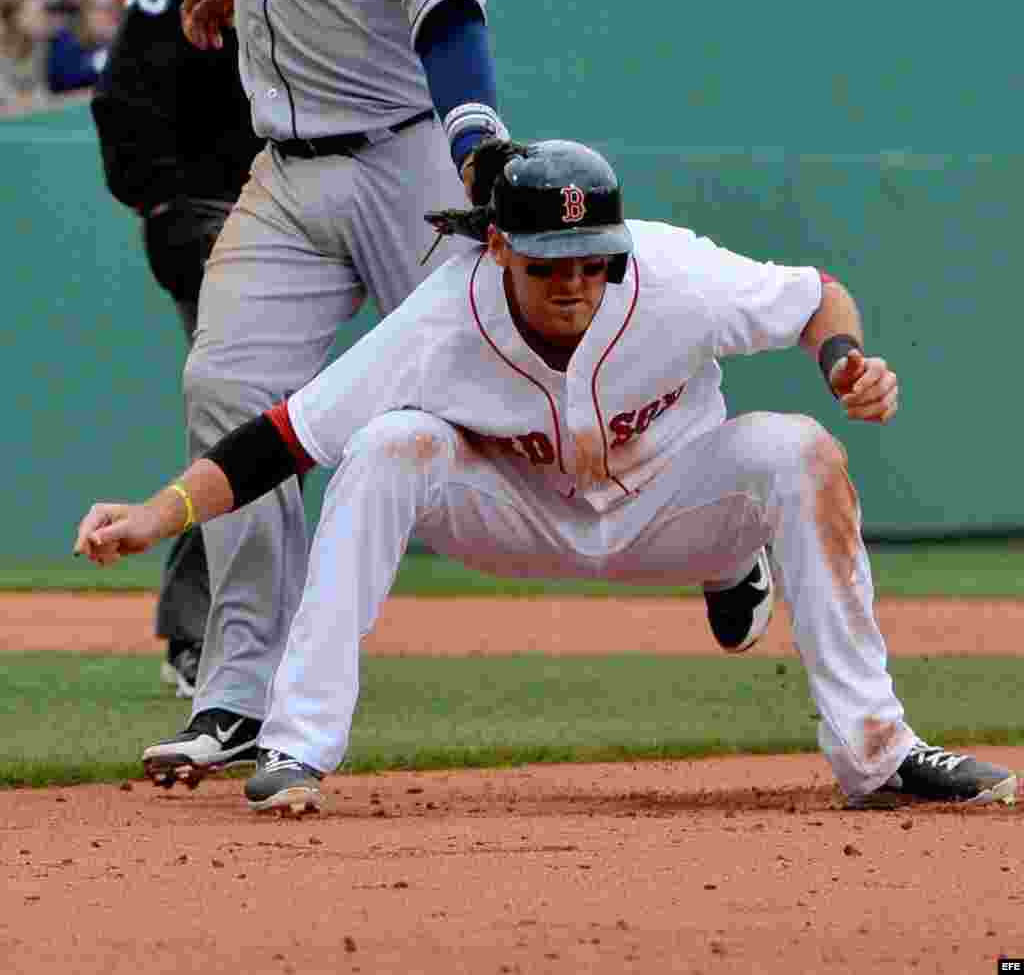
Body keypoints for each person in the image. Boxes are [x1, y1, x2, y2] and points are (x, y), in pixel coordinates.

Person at [75, 138, 1019, 815]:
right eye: (548, 262)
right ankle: (297, 744)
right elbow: (284, 436)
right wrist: (160, 516)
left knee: (802, 449)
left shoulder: (675, 275)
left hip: (680, 504)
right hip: (516, 512)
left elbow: (818, 298)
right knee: (388, 441)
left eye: (592, 259)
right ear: (497, 249)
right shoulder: (447, 316)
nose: (574, 280)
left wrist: (846, 358)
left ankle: (879, 751)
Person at [130, 0, 505, 787]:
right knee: (224, 389)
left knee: (501, 399)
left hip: (405, 162)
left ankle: (709, 537)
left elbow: (444, 8)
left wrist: (476, 136)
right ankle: (242, 690)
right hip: (286, 172)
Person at [91, 0, 263, 699]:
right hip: (205, 209)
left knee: (268, 418)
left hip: (279, 204)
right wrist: (162, 197)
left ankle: (224, 632)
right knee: (250, 416)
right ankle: (204, 636)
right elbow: (119, 87)